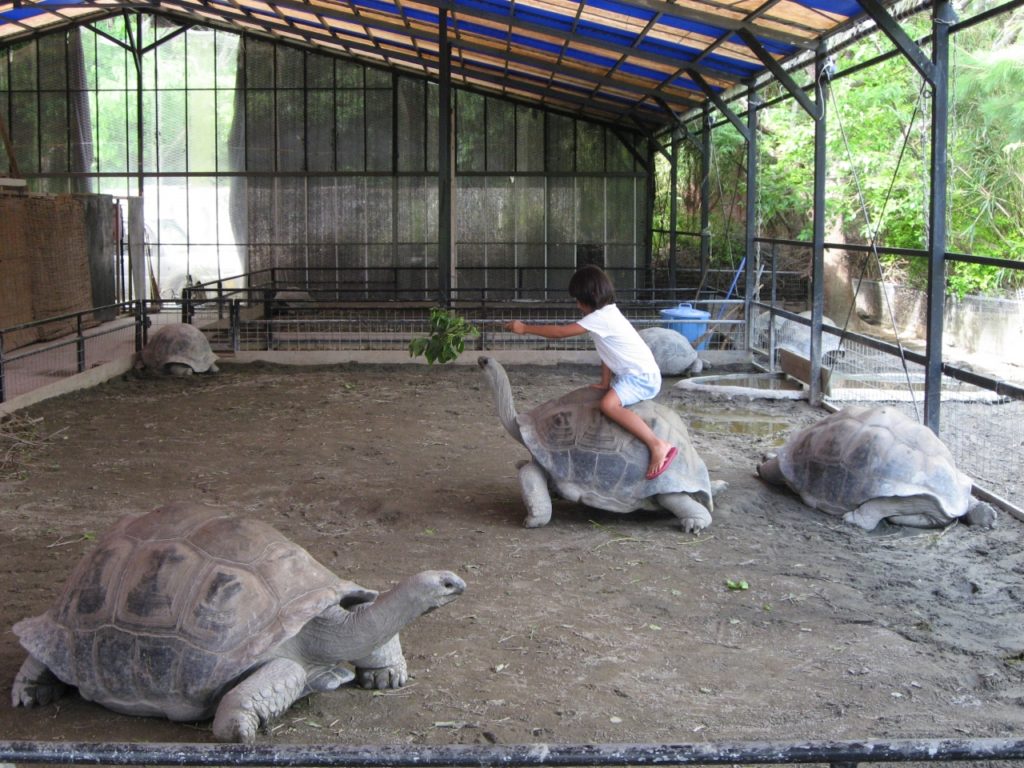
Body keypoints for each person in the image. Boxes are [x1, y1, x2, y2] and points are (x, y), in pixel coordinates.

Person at [505, 265, 678, 480]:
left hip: (641, 378)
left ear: (591, 297)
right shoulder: (608, 314)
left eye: (579, 300)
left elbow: (560, 333)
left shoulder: (601, 318)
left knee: (608, 406)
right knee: (604, 397)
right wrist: (605, 383)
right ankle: (652, 438)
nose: (577, 305)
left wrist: (525, 328)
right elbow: (608, 354)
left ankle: (657, 444)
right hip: (633, 374)